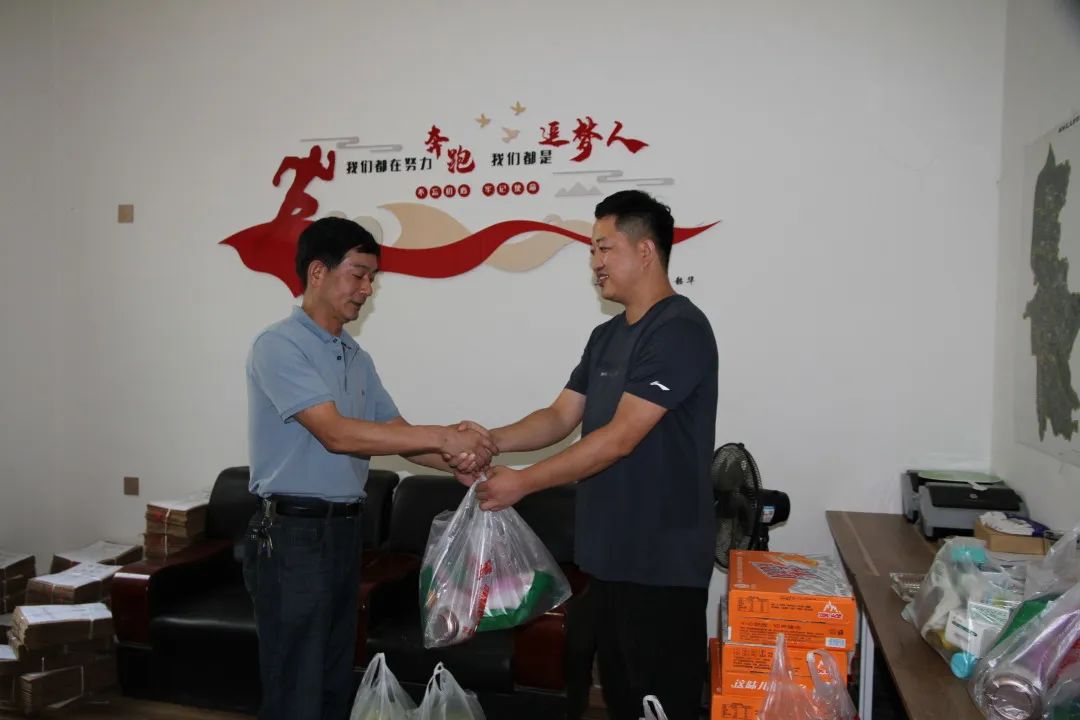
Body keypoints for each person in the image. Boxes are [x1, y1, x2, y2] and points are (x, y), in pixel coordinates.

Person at [472, 190, 719, 720]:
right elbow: (559, 417)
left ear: (645, 251)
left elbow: (620, 437)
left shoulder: (679, 330)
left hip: (660, 564)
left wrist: (524, 482)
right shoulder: (606, 336)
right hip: (607, 557)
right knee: (623, 700)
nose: (594, 263)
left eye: (604, 248)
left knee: (657, 706)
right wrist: (487, 440)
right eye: (592, 251)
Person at [243, 217, 495, 720]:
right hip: (293, 535)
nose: (366, 289)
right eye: (357, 274)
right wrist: (443, 436)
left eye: (371, 278)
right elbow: (337, 433)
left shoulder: (356, 357)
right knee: (297, 682)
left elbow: (396, 433)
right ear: (318, 272)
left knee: (336, 673)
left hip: (344, 533)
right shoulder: (279, 345)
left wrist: (457, 465)